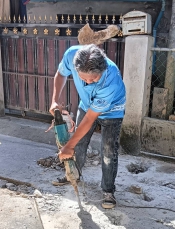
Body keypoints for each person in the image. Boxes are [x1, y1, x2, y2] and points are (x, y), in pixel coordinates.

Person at [50, 44, 126, 209]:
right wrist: (55, 99)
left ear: (103, 69)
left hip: (113, 111)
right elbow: (61, 74)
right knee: (80, 144)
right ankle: (73, 176)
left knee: (108, 151)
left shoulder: (110, 79)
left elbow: (91, 117)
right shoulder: (71, 55)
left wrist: (68, 146)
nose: (89, 82)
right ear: (76, 69)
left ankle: (108, 191)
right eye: (84, 79)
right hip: (86, 105)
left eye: (94, 78)